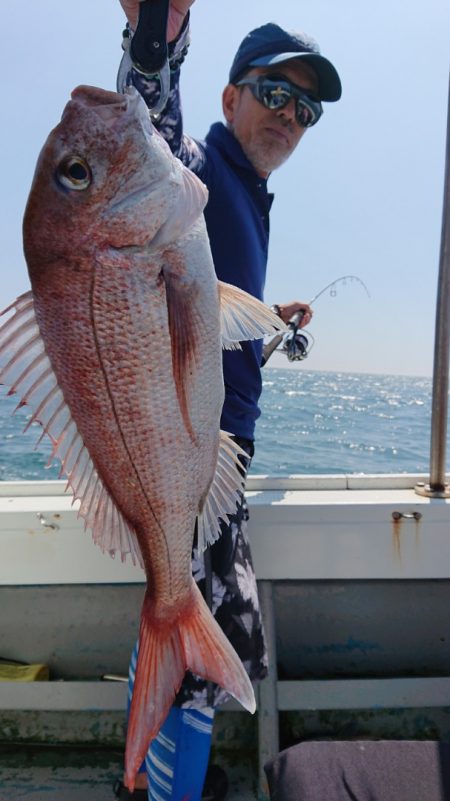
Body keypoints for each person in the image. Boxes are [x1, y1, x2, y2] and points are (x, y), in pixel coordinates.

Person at [113, 3, 341, 800]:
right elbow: (146, 131)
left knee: (198, 639)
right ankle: (159, 789)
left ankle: (145, 778)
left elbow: (213, 304)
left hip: (213, 462)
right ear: (229, 99)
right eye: (275, 91)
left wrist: (270, 319)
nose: (290, 115)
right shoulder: (199, 168)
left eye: (305, 108)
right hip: (194, 458)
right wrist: (156, 39)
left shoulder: (247, 191)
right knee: (208, 651)